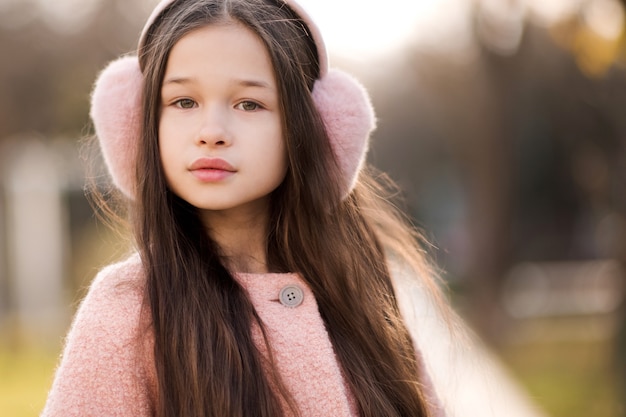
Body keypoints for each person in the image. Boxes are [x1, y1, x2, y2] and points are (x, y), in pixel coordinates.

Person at [41, 1, 546, 416]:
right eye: (183, 102)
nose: (211, 130)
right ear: (139, 124)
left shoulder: (363, 295)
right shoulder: (129, 308)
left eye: (249, 104)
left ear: (315, 127)